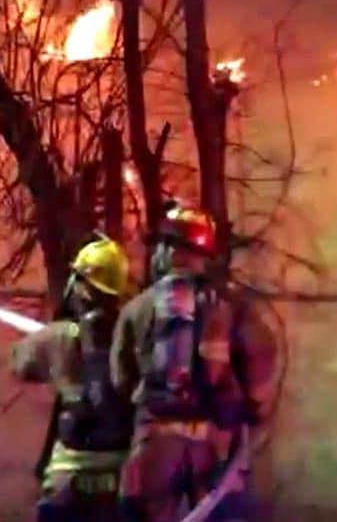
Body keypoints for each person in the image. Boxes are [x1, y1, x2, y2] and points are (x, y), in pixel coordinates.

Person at [111, 202, 278, 522]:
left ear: (168, 249)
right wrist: (252, 408)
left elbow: (121, 380)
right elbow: (261, 357)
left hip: (154, 446)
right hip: (215, 446)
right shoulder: (231, 307)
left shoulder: (136, 310)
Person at [12, 234, 138, 522]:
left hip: (68, 482)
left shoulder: (57, 337)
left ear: (80, 284)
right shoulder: (133, 335)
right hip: (121, 480)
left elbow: (18, 362)